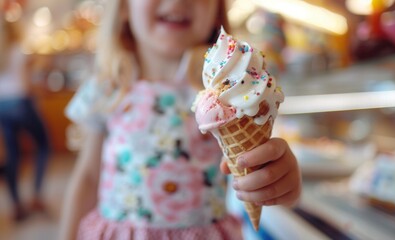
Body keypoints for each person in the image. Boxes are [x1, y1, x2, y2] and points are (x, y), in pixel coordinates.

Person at [59, 0, 301, 239]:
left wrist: (281, 183)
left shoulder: (229, 91)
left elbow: (256, 169)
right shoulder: (107, 86)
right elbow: (88, 177)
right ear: (123, 7)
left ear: (216, 11)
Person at [0, 17, 51, 221]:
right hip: (21, 103)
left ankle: (16, 205)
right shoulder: (18, 52)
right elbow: (25, 85)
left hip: (2, 107)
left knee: (13, 156)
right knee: (44, 145)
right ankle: (36, 195)